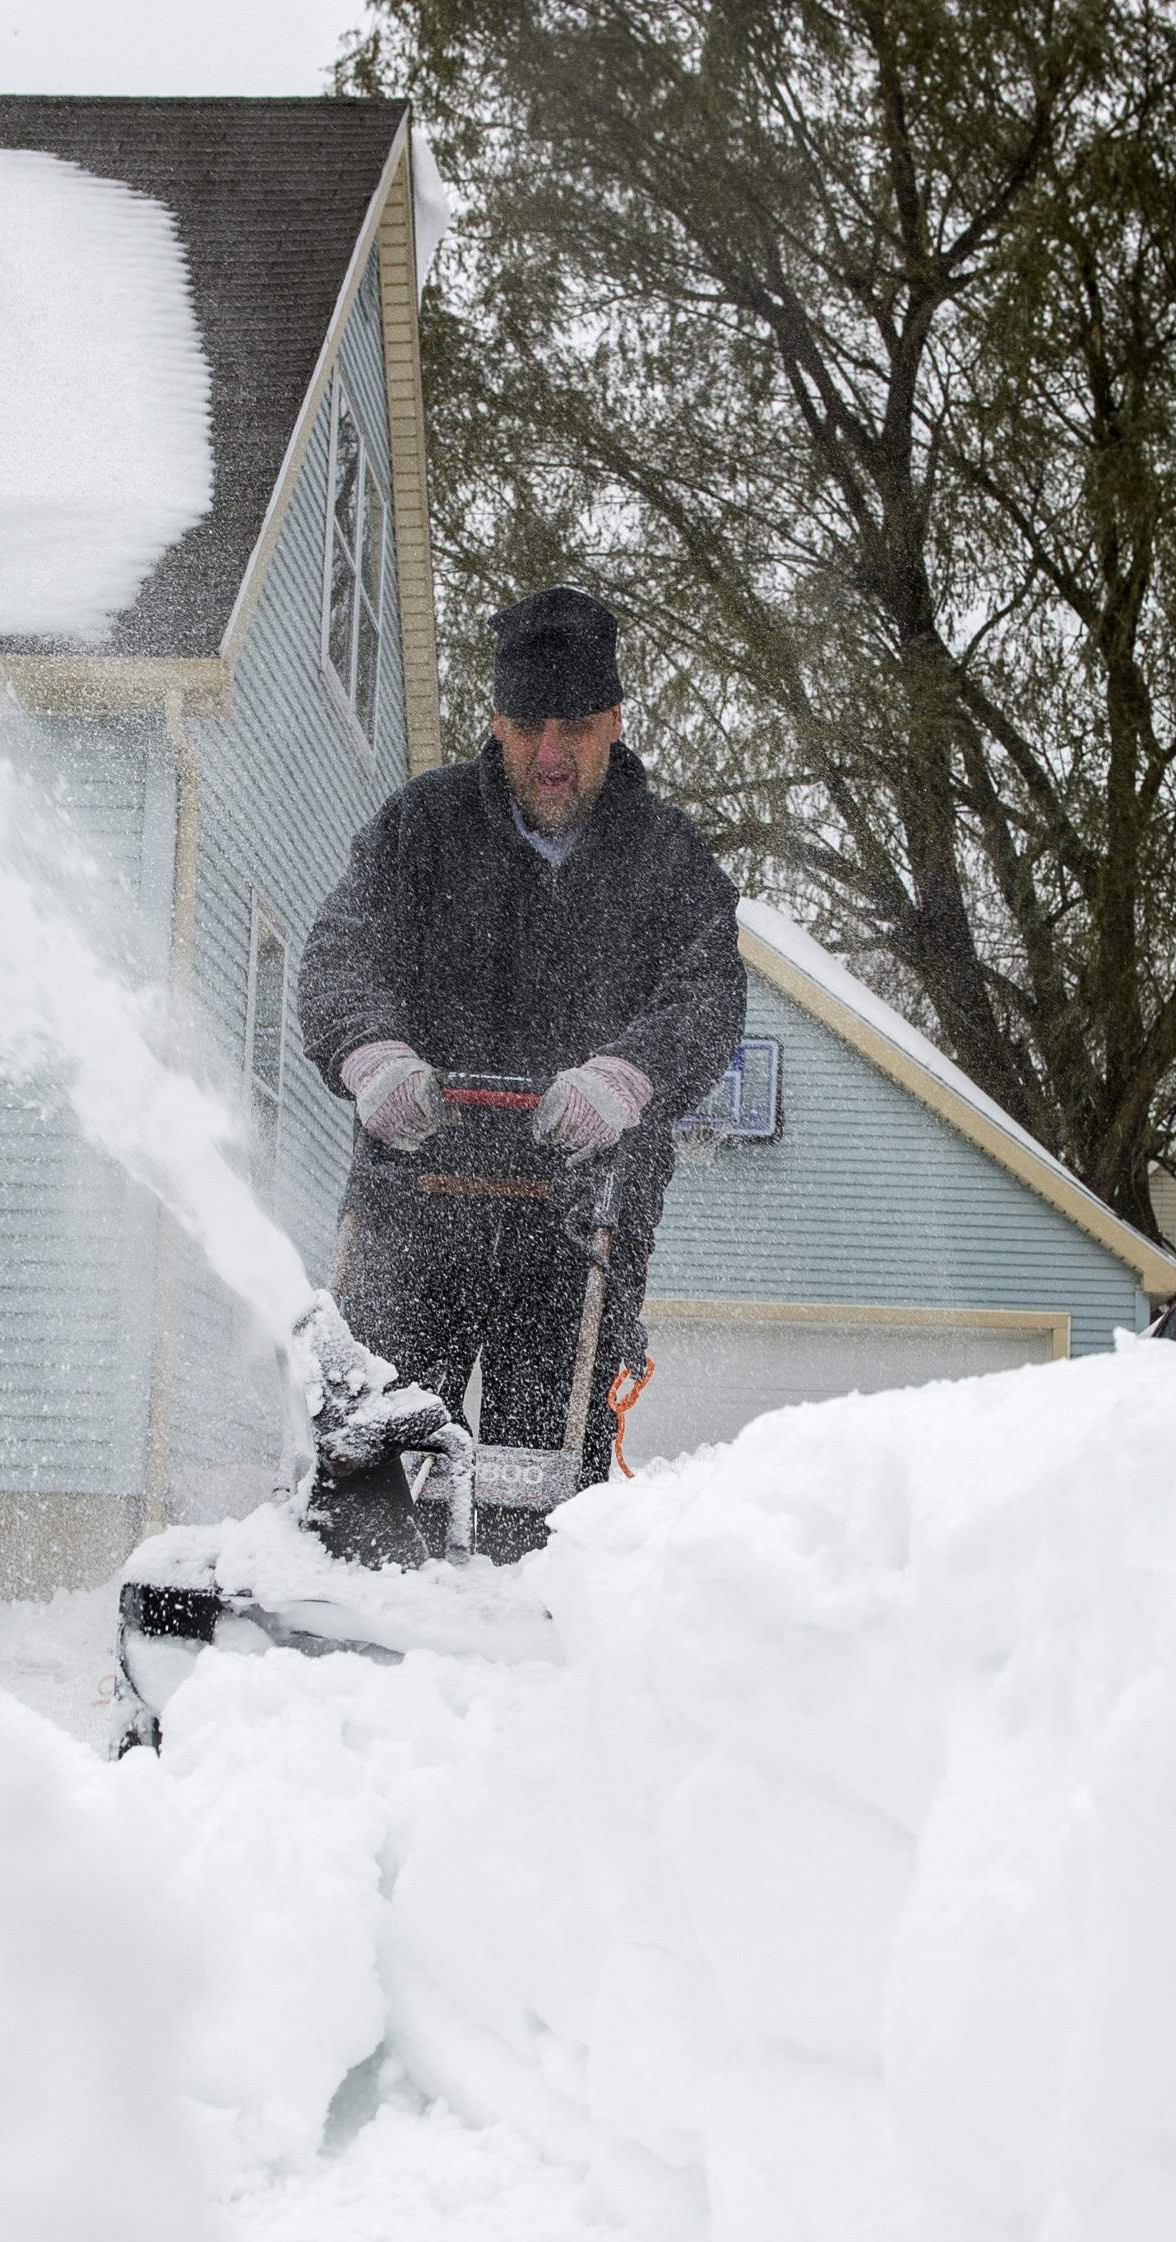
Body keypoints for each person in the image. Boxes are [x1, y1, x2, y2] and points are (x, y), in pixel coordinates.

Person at [296, 585, 744, 1536]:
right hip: (414, 1210)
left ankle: (528, 1614)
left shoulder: (666, 859)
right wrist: (373, 1055)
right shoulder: (423, 830)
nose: (549, 753)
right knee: (371, 1470)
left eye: (574, 727)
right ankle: (346, 1614)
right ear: (496, 721)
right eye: (529, 726)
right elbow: (341, 953)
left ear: (615, 722)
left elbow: (707, 993)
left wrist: (625, 1077)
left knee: (543, 1501)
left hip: (581, 1225)